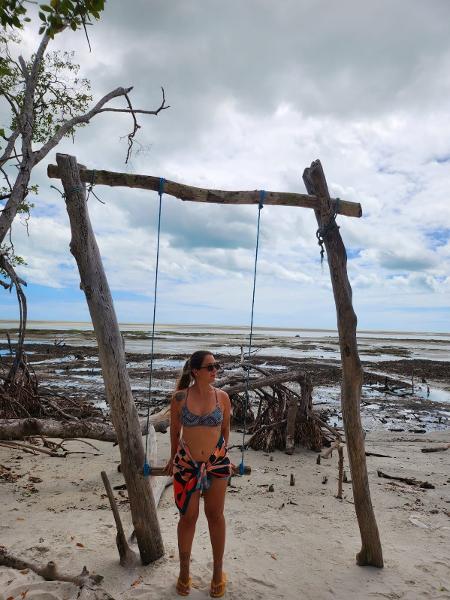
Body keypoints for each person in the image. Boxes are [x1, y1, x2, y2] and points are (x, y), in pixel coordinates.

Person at [165, 350, 232, 597]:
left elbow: (225, 430)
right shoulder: (180, 398)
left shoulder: (223, 397)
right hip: (187, 465)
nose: (215, 370)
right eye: (210, 367)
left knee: (215, 516)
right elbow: (174, 432)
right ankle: (184, 574)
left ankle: (217, 573)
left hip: (216, 463)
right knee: (188, 517)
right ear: (195, 371)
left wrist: (225, 456)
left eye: (217, 366)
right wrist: (173, 458)